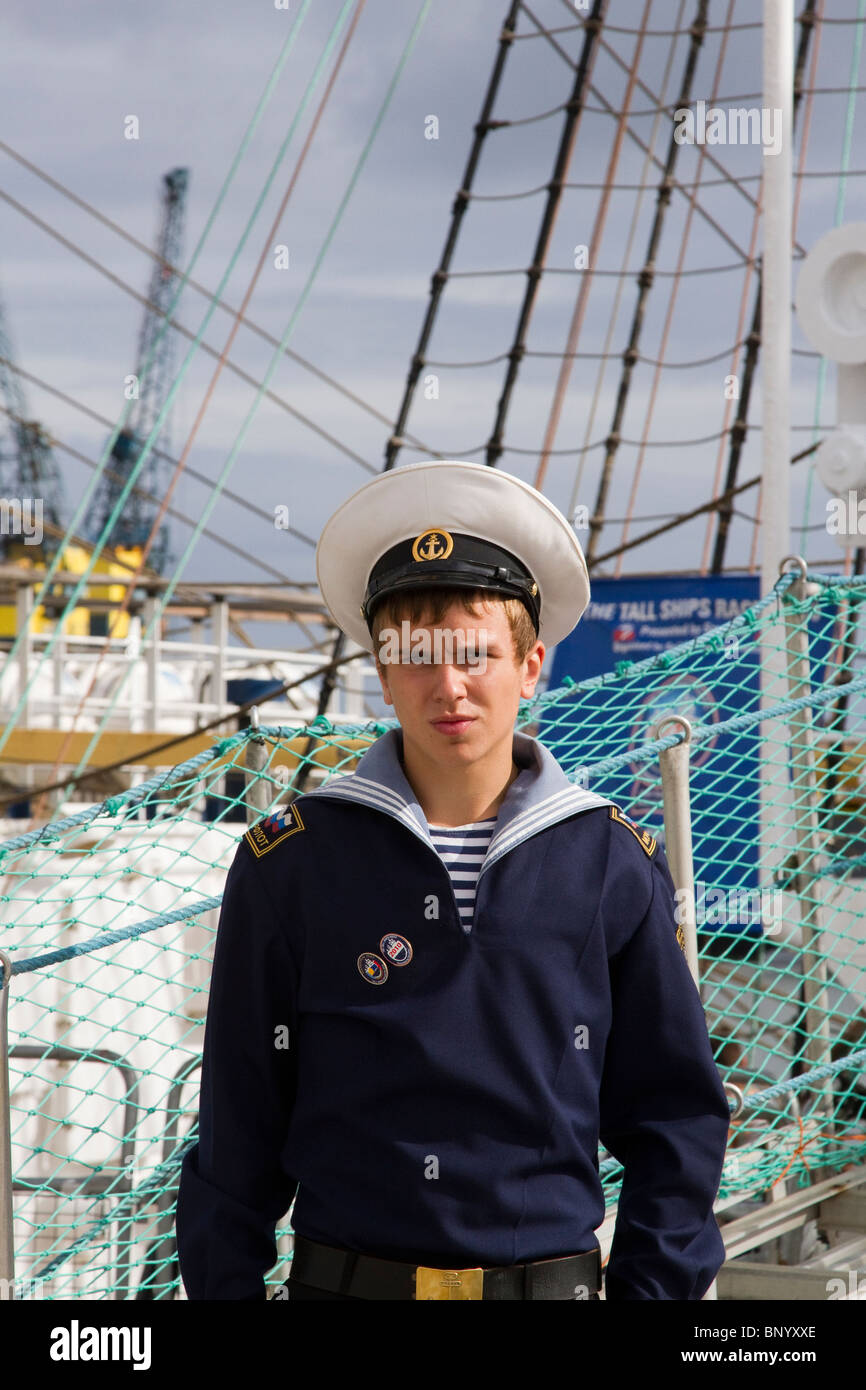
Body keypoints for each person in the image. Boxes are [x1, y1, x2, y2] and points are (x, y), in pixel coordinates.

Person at [175, 459, 731, 1301]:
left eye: (475, 653)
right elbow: (237, 1129)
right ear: (384, 671)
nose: (449, 686)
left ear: (531, 664)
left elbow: (676, 1117)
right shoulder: (288, 866)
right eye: (417, 656)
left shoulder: (611, 863)